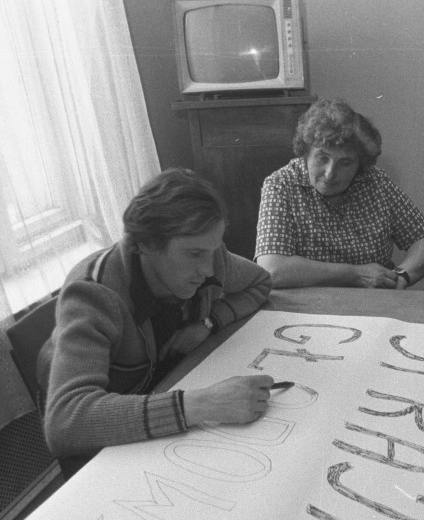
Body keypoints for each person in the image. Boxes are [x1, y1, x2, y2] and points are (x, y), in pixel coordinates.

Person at [38, 168, 275, 474]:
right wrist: (202, 405)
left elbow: (261, 283)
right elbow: (65, 424)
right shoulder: (93, 294)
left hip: (161, 403)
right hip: (106, 450)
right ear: (148, 244)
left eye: (213, 250)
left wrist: (208, 324)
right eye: (194, 254)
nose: (208, 269)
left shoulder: (209, 254)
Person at [254, 97, 424, 289]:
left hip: (375, 301)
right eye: (322, 158)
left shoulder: (375, 181)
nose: (330, 174)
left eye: (345, 163)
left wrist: (402, 276)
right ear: (305, 152)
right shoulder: (280, 186)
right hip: (308, 307)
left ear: (360, 164)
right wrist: (356, 274)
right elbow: (273, 269)